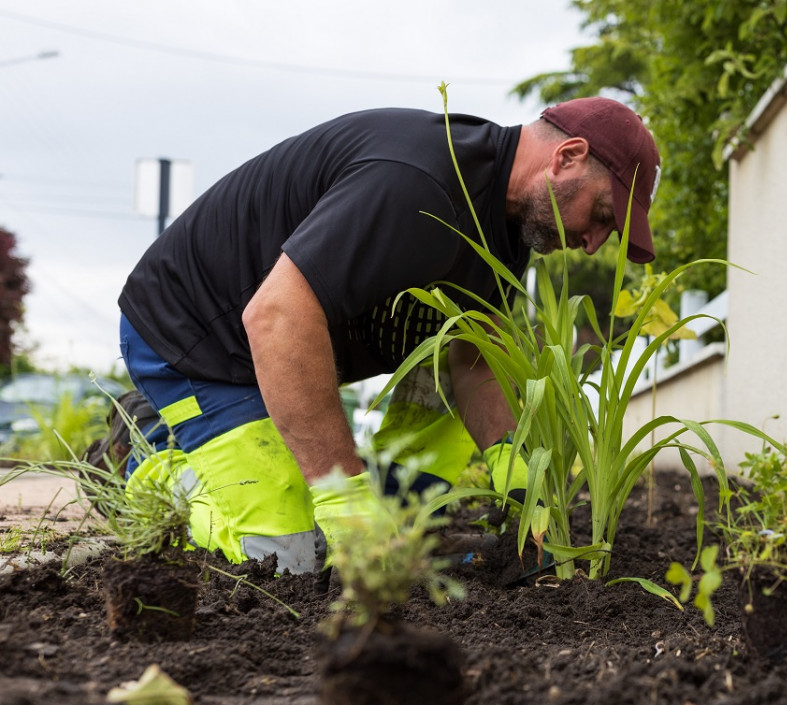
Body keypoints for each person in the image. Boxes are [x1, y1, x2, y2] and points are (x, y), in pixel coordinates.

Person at [113, 97, 661, 573]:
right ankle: (143, 462)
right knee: (286, 557)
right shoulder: (416, 181)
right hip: (201, 340)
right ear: (568, 158)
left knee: (454, 351)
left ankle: (404, 513)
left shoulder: (506, 224)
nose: (593, 244)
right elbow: (276, 317)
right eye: (602, 214)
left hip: (290, 348)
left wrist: (522, 480)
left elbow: (473, 355)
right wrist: (343, 497)